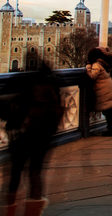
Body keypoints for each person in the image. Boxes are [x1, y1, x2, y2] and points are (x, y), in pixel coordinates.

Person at [1, 62, 63, 216]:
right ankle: (33, 211)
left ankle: (9, 210)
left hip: (22, 135)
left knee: (15, 174)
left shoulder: (22, 82)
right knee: (35, 172)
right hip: (43, 136)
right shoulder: (53, 85)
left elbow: (4, 110)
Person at [87, 47, 112, 136]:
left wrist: (88, 67)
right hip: (110, 88)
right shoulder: (104, 63)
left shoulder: (96, 65)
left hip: (103, 91)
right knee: (111, 111)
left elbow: (92, 76)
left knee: (108, 112)